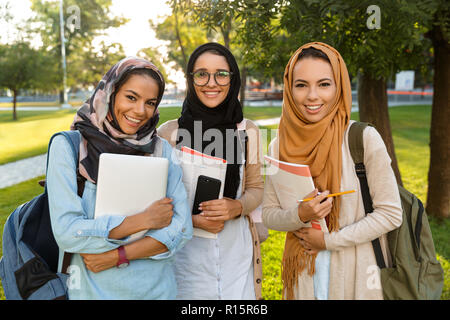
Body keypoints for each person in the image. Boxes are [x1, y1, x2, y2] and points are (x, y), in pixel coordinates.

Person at [262, 42, 403, 300]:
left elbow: (391, 213)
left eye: (324, 84)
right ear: (289, 89)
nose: (312, 96)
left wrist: (327, 241)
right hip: (302, 280)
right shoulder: (277, 145)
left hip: (355, 277)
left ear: (339, 86)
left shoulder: (363, 139)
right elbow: (269, 215)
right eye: (301, 84)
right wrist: (300, 214)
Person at [46, 57, 192, 299]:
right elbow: (67, 233)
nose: (140, 111)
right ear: (111, 93)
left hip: (158, 291)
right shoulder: (69, 147)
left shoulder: (161, 149)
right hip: (91, 292)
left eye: (150, 102)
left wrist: (115, 256)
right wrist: (143, 221)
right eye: (131, 97)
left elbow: (182, 229)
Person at [157, 42, 264, 299]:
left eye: (221, 74)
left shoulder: (248, 131)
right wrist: (192, 221)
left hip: (236, 258)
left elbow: (256, 189)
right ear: (191, 80)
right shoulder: (168, 134)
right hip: (185, 261)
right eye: (202, 74)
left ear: (233, 79)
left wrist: (236, 207)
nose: (211, 82)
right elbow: (157, 204)